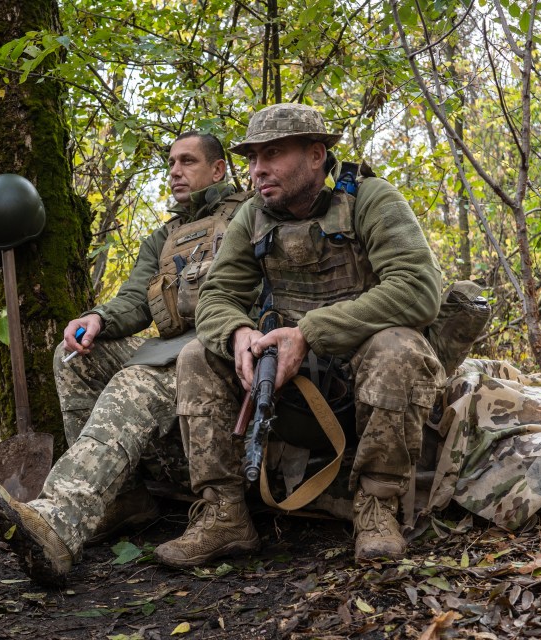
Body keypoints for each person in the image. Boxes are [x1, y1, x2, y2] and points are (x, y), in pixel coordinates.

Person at [154, 103, 446, 567]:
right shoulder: (252, 217)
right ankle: (223, 515)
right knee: (196, 354)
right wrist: (238, 333)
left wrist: (308, 332)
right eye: (251, 159)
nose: (258, 169)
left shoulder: (370, 199)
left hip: (361, 386)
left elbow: (418, 290)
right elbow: (216, 298)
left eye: (272, 154)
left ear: (315, 155)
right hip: (288, 389)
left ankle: (376, 509)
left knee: (398, 347)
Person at [0, 131, 249, 586]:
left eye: (188, 162)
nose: (176, 171)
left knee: (134, 382)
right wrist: (98, 318)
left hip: (224, 350)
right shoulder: (164, 237)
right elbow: (136, 299)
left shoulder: (250, 215)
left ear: (218, 169)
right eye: (172, 162)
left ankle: (58, 522)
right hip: (173, 348)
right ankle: (123, 501)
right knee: (73, 355)